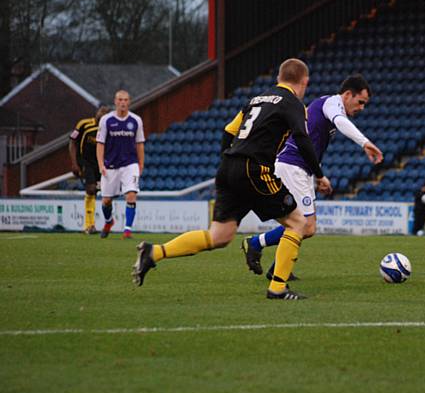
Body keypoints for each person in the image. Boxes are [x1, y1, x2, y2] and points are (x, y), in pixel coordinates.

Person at [131, 58, 332, 300]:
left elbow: (229, 130)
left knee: (219, 236)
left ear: (279, 78)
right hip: (254, 168)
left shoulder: (256, 99)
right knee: (299, 223)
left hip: (229, 167)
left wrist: (230, 161)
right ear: (305, 81)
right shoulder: (293, 103)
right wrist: (319, 175)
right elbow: (302, 137)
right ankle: (278, 287)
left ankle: (154, 253)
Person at [239, 74, 383, 280]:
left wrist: (318, 176)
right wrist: (364, 142)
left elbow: (313, 145)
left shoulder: (326, 107)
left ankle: (275, 265)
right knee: (306, 225)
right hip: (292, 166)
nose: (361, 108)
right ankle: (257, 246)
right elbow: (340, 122)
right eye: (360, 102)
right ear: (348, 94)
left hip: (300, 168)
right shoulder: (332, 103)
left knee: (301, 225)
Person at [96, 90, 145, 239]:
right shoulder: (106, 120)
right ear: (115, 102)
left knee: (131, 195)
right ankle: (109, 222)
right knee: (106, 201)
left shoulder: (136, 120)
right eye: (120, 100)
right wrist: (100, 165)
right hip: (110, 165)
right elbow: (100, 144)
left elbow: (140, 144)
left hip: (130, 164)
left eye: (125, 100)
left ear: (129, 102)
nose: (123, 102)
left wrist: (141, 164)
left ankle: (127, 230)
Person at [68, 105, 110, 234]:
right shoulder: (84, 124)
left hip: (100, 163)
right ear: (96, 113)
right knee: (91, 189)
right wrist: (75, 164)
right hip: (85, 161)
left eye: (105, 114)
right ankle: (88, 225)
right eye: (101, 112)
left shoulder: (108, 128)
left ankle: (98, 224)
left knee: (99, 192)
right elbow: (72, 142)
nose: (102, 115)